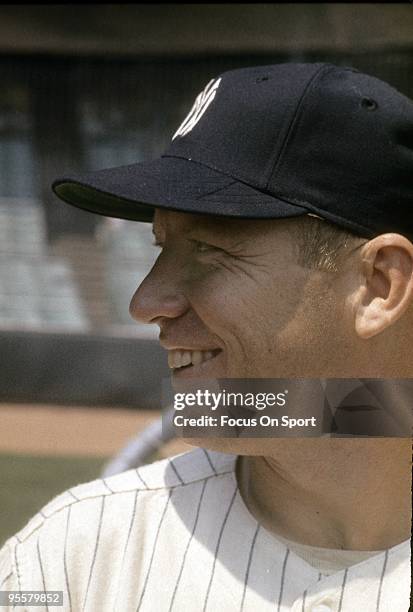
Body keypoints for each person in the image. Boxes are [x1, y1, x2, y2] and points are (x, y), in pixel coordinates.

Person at [0, 62, 412, 611]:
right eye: (159, 247)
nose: (145, 304)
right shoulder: (71, 557)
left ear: (377, 286)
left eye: (213, 251)